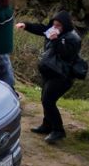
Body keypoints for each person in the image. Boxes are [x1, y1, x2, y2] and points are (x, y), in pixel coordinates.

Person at [18, 10, 82, 144]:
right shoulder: (53, 30)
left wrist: (57, 40)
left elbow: (67, 54)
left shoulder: (73, 38)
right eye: (55, 24)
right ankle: (47, 125)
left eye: (59, 25)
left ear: (65, 25)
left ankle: (58, 130)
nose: (56, 27)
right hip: (50, 72)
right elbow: (41, 28)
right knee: (45, 98)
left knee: (48, 100)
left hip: (62, 76)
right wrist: (26, 25)